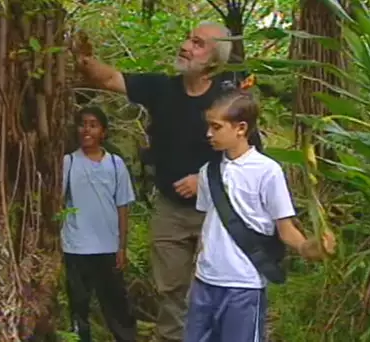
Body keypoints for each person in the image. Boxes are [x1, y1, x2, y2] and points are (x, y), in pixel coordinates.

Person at [73, 21, 261, 342]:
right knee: (171, 289)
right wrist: (83, 58)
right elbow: (107, 78)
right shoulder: (162, 88)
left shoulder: (228, 102)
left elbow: (248, 159)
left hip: (216, 211)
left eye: (198, 43)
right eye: (188, 39)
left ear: (213, 61)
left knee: (214, 286)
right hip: (170, 210)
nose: (186, 46)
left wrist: (203, 180)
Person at [184, 90, 337, 341]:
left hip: (243, 283)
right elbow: (207, 226)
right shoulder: (208, 172)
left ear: (240, 128)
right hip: (205, 281)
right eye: (209, 126)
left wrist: (309, 248)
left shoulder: (267, 172)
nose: (208, 134)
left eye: (216, 127)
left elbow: (285, 229)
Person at [61, 107, 137, 342]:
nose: (87, 129)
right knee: (79, 304)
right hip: (76, 247)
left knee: (116, 303)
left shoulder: (115, 164)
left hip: (108, 247)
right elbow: (58, 202)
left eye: (93, 124)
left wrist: (122, 247)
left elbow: (122, 206)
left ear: (103, 131)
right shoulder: (69, 162)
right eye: (83, 124)